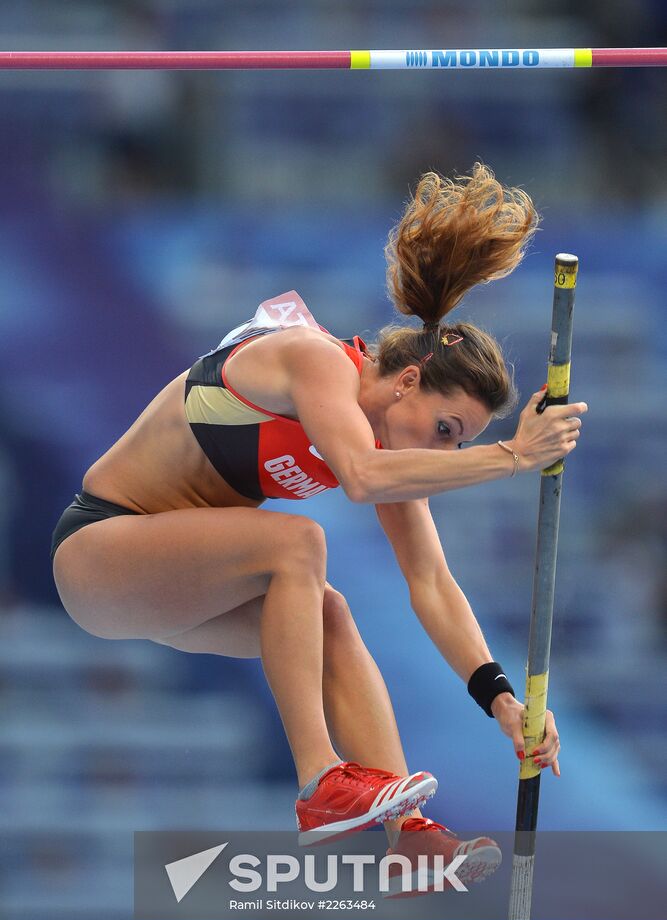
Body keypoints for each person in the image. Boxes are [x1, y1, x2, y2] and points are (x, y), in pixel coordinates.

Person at [51, 163, 586, 882]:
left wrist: (500, 700)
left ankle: (411, 840)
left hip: (169, 589)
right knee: (298, 542)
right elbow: (362, 481)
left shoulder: (384, 444)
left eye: (454, 442)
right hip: (100, 550)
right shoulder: (316, 365)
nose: (443, 451)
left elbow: (430, 583)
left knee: (327, 613)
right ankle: (320, 784)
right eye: (446, 429)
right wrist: (513, 458)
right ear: (404, 382)